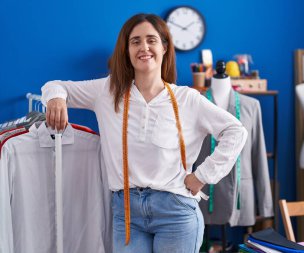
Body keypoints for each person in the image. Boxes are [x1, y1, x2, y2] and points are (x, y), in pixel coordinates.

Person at [41, 13, 247, 253]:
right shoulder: (107, 91)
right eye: (135, 41)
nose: (144, 47)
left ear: (164, 47)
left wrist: (203, 176)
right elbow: (55, 86)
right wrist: (55, 98)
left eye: (151, 40)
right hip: (126, 214)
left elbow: (236, 131)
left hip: (176, 212)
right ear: (127, 50)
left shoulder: (186, 98)